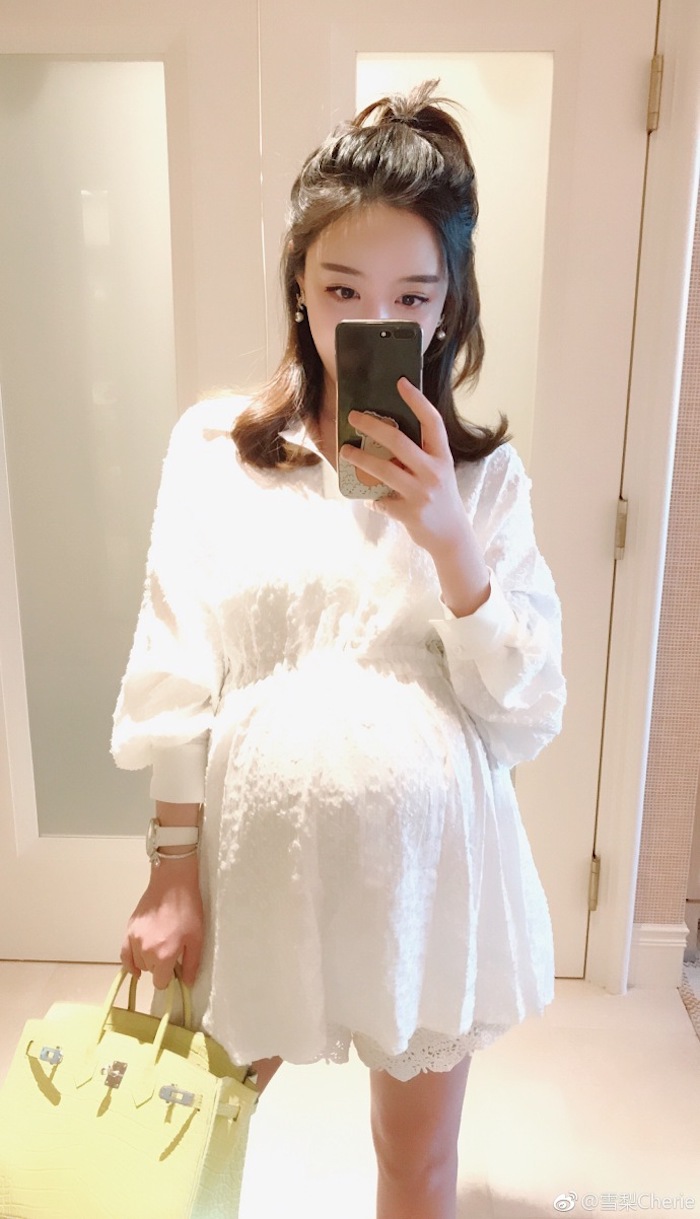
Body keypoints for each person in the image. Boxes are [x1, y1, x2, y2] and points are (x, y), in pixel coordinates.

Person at [111, 80, 566, 1219]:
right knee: (178, 1151)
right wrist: (171, 867)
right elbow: (178, 657)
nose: (373, 317)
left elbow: (524, 711)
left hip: (429, 880)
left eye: (412, 295)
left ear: (450, 305)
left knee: (416, 1168)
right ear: (300, 290)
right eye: (342, 289)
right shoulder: (218, 450)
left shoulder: (482, 483)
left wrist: (451, 541)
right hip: (258, 870)